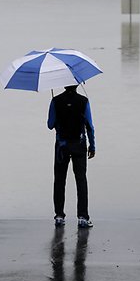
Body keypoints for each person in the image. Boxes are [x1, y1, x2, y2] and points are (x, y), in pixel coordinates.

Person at [47, 84, 96, 228]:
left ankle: (59, 216)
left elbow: (50, 125)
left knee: (59, 180)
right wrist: (92, 146)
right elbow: (90, 126)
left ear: (63, 84)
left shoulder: (55, 101)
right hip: (79, 145)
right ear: (77, 84)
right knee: (81, 180)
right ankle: (83, 217)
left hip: (61, 146)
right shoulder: (83, 101)